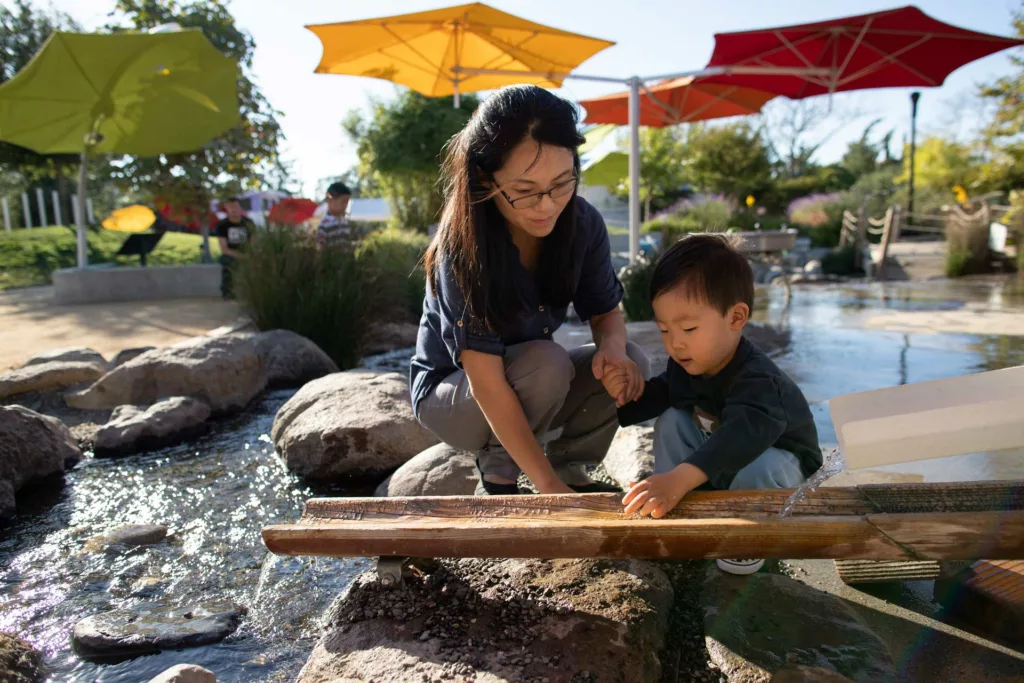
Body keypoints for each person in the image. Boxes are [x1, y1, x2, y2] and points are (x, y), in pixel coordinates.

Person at [410, 85, 650, 496]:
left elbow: (606, 313)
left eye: (562, 183)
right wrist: (545, 487)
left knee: (632, 360)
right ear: (485, 179)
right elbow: (485, 380)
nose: (547, 205)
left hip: (531, 376)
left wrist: (610, 347)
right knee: (547, 362)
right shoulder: (462, 244)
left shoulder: (584, 223)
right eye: (524, 191)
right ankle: (500, 472)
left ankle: (570, 465)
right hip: (454, 394)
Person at [606, 234, 822, 575]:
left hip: (783, 475)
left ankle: (746, 536)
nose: (675, 344)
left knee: (757, 465)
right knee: (673, 420)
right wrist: (626, 395)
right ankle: (677, 507)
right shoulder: (690, 361)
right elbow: (666, 392)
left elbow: (741, 438)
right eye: (664, 330)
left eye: (689, 328)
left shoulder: (759, 382)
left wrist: (680, 476)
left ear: (736, 318)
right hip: (725, 461)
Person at [214, 197, 255, 298]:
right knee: (228, 263)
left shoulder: (249, 223)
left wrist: (250, 254)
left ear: (240, 208)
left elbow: (254, 242)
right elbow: (224, 248)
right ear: (226, 209)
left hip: (247, 252)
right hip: (230, 253)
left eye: (235, 207)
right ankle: (228, 292)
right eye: (230, 207)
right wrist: (240, 256)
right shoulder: (222, 225)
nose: (233, 210)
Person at [311, 182, 355, 249]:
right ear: (330, 200)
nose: (345, 206)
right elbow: (321, 248)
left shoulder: (344, 222)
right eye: (343, 202)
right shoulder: (325, 224)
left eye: (347, 203)